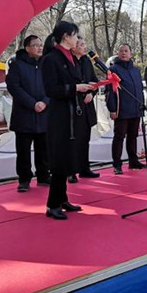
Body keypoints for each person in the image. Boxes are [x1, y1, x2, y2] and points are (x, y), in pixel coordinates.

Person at [41, 21, 95, 220]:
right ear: (65, 36)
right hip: (60, 115)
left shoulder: (71, 57)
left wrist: (84, 86)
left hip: (73, 113)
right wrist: (75, 88)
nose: (77, 40)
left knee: (68, 157)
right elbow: (51, 89)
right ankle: (52, 204)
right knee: (60, 159)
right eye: (75, 36)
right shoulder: (51, 59)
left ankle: (62, 198)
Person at [6, 35, 51, 193]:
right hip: (24, 115)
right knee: (23, 150)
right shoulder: (17, 65)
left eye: (40, 45)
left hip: (44, 113)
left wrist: (45, 101)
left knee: (43, 149)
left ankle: (44, 176)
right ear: (27, 48)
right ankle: (24, 179)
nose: (39, 48)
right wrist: (33, 104)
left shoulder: (46, 64)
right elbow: (14, 87)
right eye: (35, 45)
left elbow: (52, 85)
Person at [106, 44, 145, 175]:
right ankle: (117, 164)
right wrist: (112, 109)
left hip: (135, 109)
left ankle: (133, 161)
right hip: (121, 110)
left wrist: (141, 107)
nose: (123, 53)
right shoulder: (113, 70)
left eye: (126, 51)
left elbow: (139, 89)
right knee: (119, 137)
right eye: (121, 51)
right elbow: (110, 92)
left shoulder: (135, 70)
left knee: (133, 137)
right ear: (118, 53)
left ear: (131, 53)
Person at [67, 36, 100, 183]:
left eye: (85, 44)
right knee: (72, 140)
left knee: (85, 139)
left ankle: (84, 168)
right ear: (73, 47)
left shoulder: (86, 61)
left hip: (87, 104)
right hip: (73, 104)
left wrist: (91, 93)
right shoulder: (68, 61)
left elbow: (94, 81)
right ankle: (71, 171)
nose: (84, 47)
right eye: (81, 44)